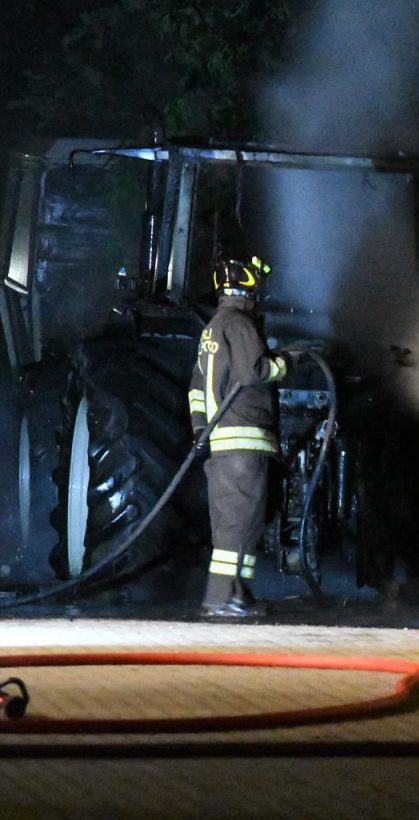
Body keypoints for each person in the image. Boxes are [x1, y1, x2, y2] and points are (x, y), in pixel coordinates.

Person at [189, 255, 288, 618]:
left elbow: (196, 388)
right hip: (245, 444)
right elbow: (254, 372)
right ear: (249, 284)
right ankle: (222, 599)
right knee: (239, 525)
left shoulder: (213, 328)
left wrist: (200, 429)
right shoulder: (241, 324)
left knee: (235, 525)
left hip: (223, 446)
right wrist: (287, 362)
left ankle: (236, 596)